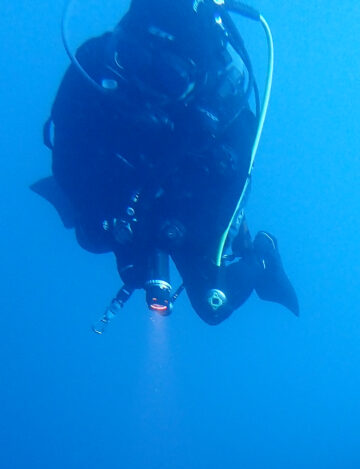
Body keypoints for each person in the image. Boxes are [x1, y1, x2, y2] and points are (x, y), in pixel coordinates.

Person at [33, 0, 298, 329]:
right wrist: (111, 227)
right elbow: (66, 156)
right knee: (91, 238)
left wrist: (166, 234)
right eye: (134, 57)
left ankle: (263, 256)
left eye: (168, 76)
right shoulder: (96, 62)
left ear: (194, 78)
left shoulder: (226, 113)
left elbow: (220, 204)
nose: (145, 86)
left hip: (190, 201)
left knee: (213, 303)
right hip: (120, 180)